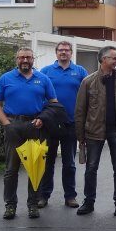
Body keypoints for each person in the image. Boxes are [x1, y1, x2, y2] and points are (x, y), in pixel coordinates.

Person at [0, 48, 58, 219]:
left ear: (33, 59)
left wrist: (43, 118)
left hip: (35, 126)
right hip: (13, 125)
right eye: (21, 57)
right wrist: (6, 123)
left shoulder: (43, 79)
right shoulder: (6, 78)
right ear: (17, 60)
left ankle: (33, 205)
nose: (25, 60)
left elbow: (54, 103)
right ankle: (10, 205)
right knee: (11, 169)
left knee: (35, 168)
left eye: (28, 57)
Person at [75, 46, 116, 216]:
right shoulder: (88, 82)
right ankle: (88, 202)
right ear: (103, 60)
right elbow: (80, 110)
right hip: (94, 131)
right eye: (114, 58)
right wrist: (80, 137)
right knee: (91, 168)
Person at [38, 41, 88, 209]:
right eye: (61, 50)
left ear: (71, 53)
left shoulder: (80, 71)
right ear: (56, 53)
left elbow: (88, 96)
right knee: (47, 162)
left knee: (69, 163)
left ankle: (70, 196)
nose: (63, 53)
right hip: (50, 124)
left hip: (71, 124)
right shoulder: (45, 72)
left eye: (67, 50)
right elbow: (39, 95)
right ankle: (43, 196)